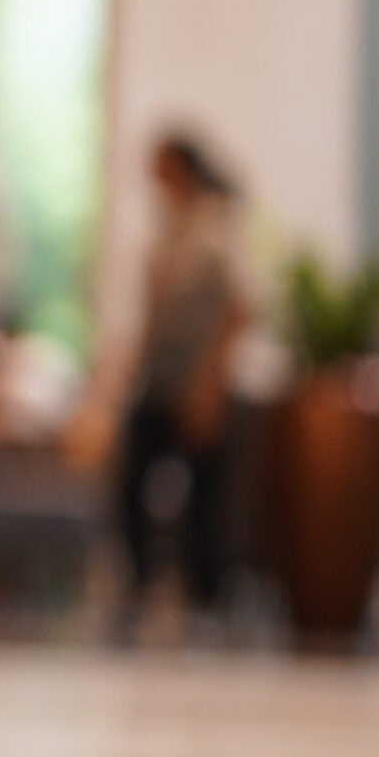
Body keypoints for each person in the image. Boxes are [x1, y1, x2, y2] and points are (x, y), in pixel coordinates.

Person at [112, 130, 246, 631]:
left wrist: (209, 383)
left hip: (199, 380)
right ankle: (141, 582)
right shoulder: (165, 230)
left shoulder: (215, 228)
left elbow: (239, 310)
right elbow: (153, 312)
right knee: (132, 478)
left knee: (206, 495)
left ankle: (208, 597)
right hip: (161, 378)